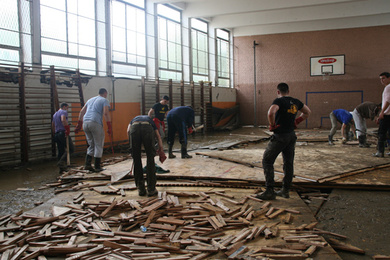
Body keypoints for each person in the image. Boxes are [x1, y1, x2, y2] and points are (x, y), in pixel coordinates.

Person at [257, 83, 311, 200]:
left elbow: (271, 112)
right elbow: (307, 112)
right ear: (288, 91)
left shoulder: (279, 101)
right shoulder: (296, 101)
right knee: (288, 162)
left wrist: (272, 125)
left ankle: (270, 191)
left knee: (267, 161)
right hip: (291, 136)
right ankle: (285, 190)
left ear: (278, 92)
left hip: (280, 136)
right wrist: (298, 120)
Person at [75, 88, 112, 172]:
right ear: (105, 93)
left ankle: (87, 165)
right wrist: (109, 126)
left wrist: (79, 124)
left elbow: (81, 112)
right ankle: (97, 166)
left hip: (85, 123)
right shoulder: (104, 100)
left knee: (91, 145)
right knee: (99, 145)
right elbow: (105, 113)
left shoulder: (90, 100)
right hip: (95, 123)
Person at [127, 115, 165, 196]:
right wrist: (161, 149)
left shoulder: (133, 119)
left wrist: (132, 145)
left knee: (136, 160)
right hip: (147, 128)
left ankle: (141, 189)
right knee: (150, 159)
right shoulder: (150, 121)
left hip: (134, 128)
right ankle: (151, 189)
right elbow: (158, 136)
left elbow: (128, 131)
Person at [52, 103, 74, 173]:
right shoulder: (63, 112)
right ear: (64, 107)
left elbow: (53, 125)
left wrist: (54, 133)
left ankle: (61, 169)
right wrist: (67, 129)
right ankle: (61, 162)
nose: (67, 109)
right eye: (67, 108)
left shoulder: (55, 114)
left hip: (56, 134)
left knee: (60, 150)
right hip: (62, 133)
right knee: (71, 149)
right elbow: (63, 120)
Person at [373, 72, 390, 157]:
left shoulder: (388, 87)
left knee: (381, 133)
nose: (382, 81)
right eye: (380, 79)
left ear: (389, 78)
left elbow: (388, 101)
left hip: (387, 115)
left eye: (383, 78)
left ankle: (380, 152)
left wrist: (382, 112)